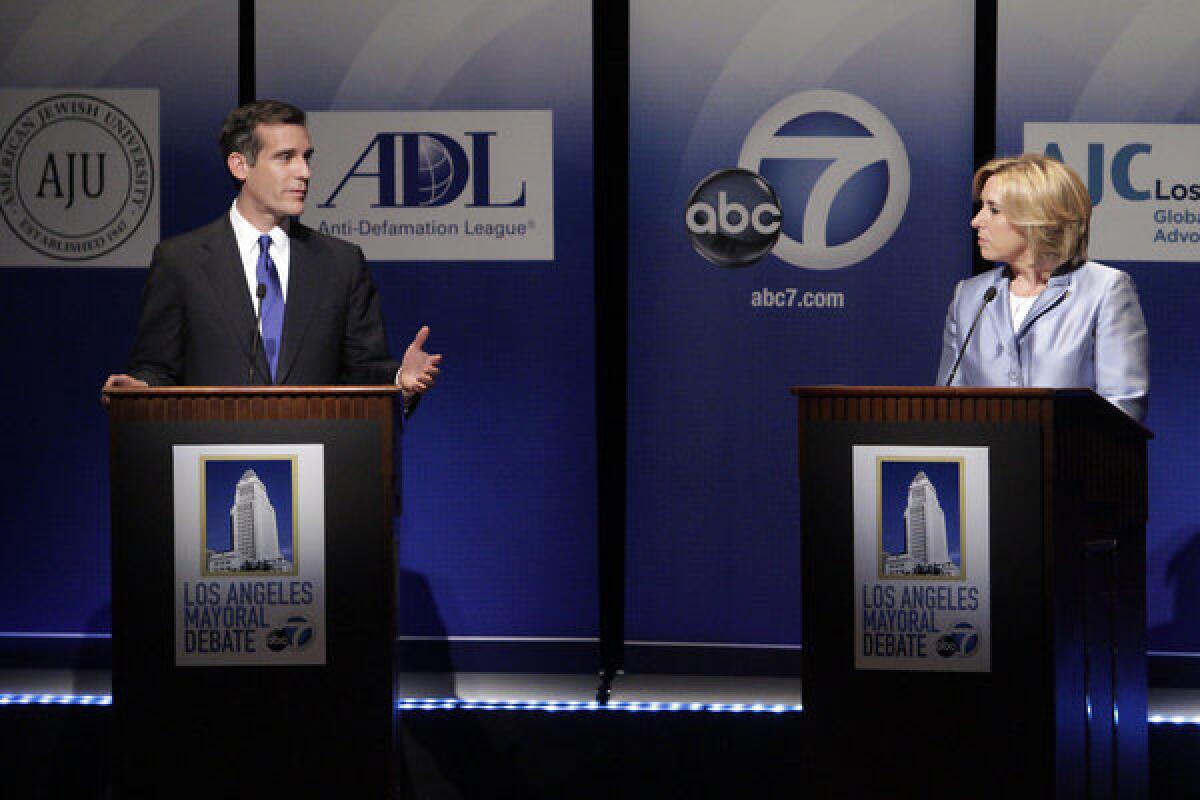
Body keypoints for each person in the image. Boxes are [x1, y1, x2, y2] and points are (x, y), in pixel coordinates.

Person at [103, 100, 440, 399]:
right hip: (215, 458)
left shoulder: (341, 263)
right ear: (240, 166)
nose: (304, 172)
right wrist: (139, 392)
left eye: (306, 158)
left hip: (317, 457)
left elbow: (363, 371)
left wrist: (400, 379)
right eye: (285, 158)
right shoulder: (180, 261)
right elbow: (158, 369)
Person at [936, 153, 1148, 422]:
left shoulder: (1105, 290)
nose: (976, 221)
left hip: (1073, 460)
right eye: (981, 207)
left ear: (1036, 218)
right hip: (987, 461)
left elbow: (1123, 410)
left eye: (994, 209)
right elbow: (946, 405)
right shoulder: (970, 295)